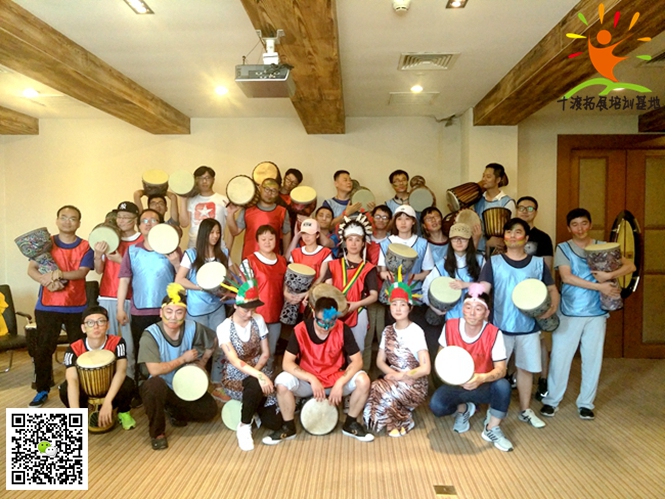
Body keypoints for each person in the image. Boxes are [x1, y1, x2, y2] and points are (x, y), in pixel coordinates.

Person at [541, 208, 635, 421]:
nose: (580, 228)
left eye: (584, 223)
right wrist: (600, 286)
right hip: (570, 311)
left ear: (590, 225)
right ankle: (552, 401)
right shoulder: (563, 248)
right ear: (569, 228)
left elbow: (630, 265)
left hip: (596, 312)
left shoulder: (604, 247)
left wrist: (610, 275)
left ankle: (586, 403)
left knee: (592, 359)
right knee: (560, 358)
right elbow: (567, 277)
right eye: (575, 225)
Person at [262, 284, 374, 444]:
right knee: (282, 381)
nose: (326, 327)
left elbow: (357, 361)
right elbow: (287, 363)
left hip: (334, 380)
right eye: (322, 322)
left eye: (331, 322)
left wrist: (341, 382)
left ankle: (350, 423)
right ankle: (288, 427)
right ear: (314, 313)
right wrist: (311, 378)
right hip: (308, 382)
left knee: (363, 379)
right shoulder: (300, 330)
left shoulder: (342, 329)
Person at [479, 218, 559, 430]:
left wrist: (553, 306)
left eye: (517, 232)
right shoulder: (494, 262)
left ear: (526, 237)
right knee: (497, 371)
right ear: (504, 237)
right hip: (500, 326)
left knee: (526, 369)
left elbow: (551, 288)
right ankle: (493, 412)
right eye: (509, 232)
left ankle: (525, 410)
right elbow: (483, 289)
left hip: (529, 326)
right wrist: (473, 300)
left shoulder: (537, 263)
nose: (512, 236)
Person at [429, 285, 513, 452]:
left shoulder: (494, 333)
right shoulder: (450, 326)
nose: (472, 313)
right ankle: (465, 408)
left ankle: (492, 428)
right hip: (456, 384)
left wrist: (481, 378)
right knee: (437, 406)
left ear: (486, 313)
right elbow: (440, 361)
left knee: (503, 386)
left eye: (478, 309)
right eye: (468, 307)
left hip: (482, 384)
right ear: (463, 309)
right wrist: (456, 380)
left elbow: (501, 369)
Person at [27, 205, 93, 407]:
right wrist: (46, 280)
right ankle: (42, 389)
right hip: (48, 306)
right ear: (57, 220)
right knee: (43, 349)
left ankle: (81, 387)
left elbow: (82, 272)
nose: (67, 221)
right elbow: (32, 269)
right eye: (63, 217)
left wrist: (60, 274)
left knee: (79, 349)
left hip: (76, 306)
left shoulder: (86, 246)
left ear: (79, 223)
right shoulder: (45, 243)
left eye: (72, 218)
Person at [138, 284, 216, 450]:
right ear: (161, 313)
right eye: (169, 311)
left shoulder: (193, 327)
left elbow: (214, 340)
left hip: (183, 385)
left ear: (185, 313)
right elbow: (154, 370)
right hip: (160, 386)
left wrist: (201, 363)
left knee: (209, 410)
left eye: (179, 312)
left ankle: (173, 409)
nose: (173, 317)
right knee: (154, 386)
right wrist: (183, 359)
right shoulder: (150, 335)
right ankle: (157, 433)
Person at [117, 209, 181, 402]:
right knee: (142, 351)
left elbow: (182, 279)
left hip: (167, 313)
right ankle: (141, 391)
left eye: (153, 220)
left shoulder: (172, 249)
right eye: (144, 220)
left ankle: (171, 392)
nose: (148, 223)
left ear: (161, 224)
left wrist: (176, 263)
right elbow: (124, 280)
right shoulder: (132, 251)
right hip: (140, 311)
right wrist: (120, 308)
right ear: (139, 226)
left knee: (169, 350)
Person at [217, 280, 283, 451]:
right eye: (245, 310)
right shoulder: (224, 327)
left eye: (252, 310)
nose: (249, 314)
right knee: (254, 384)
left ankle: (253, 408)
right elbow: (235, 361)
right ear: (235, 306)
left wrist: (259, 373)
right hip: (235, 375)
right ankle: (244, 425)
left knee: (275, 423)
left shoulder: (258, 319)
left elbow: (265, 353)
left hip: (259, 368)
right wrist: (258, 376)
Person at [363, 282, 430, 437]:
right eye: (394, 304)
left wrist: (402, 376)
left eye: (402, 304)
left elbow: (425, 368)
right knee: (375, 387)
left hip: (414, 383)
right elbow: (380, 361)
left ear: (410, 307)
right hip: (396, 378)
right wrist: (395, 375)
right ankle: (393, 413)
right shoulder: (387, 331)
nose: (398, 308)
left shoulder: (416, 331)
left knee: (383, 391)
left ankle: (404, 420)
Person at [175, 218, 231, 402]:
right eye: (212, 232)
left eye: (218, 233)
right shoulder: (191, 254)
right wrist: (200, 287)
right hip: (197, 308)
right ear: (203, 234)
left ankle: (217, 383)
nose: (215, 236)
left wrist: (227, 292)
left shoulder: (223, 253)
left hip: (217, 307)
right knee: (198, 346)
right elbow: (179, 279)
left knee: (220, 344)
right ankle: (195, 383)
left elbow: (230, 276)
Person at [59, 306, 136, 430]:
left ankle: (123, 412)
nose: (96, 326)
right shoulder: (73, 349)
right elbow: (72, 380)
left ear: (108, 325)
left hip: (110, 387)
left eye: (101, 321)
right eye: (90, 323)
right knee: (64, 389)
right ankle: (83, 414)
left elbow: (121, 372)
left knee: (128, 384)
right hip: (86, 389)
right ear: (83, 328)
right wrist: (75, 413)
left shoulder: (118, 342)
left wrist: (107, 402)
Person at [94, 201, 142, 380]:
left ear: (135, 219)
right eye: (119, 217)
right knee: (107, 342)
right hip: (106, 294)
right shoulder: (109, 238)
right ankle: (107, 381)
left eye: (126, 217)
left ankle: (129, 381)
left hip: (131, 298)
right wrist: (98, 255)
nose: (121, 221)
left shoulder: (141, 240)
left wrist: (121, 261)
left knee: (128, 345)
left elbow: (143, 273)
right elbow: (99, 269)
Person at [516, 196, 554, 400]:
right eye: (521, 208)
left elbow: (546, 268)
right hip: (513, 294)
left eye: (529, 208)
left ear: (536, 212)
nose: (525, 211)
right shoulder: (510, 234)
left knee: (538, 339)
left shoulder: (543, 238)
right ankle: (515, 376)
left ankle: (543, 379)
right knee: (514, 336)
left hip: (535, 294)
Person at [325, 216, 379, 358]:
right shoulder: (333, 264)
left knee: (356, 351)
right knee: (331, 350)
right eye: (350, 239)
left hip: (358, 311)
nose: (353, 244)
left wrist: (357, 304)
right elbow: (328, 289)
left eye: (357, 240)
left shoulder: (369, 268)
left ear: (363, 243)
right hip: (333, 311)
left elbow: (374, 295)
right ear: (344, 242)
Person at [240, 225, 287, 356]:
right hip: (255, 315)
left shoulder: (282, 261)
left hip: (276, 314)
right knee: (252, 352)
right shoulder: (249, 261)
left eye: (271, 239)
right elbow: (245, 290)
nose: (267, 242)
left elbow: (284, 286)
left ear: (276, 240)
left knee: (270, 352)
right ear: (257, 241)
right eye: (263, 239)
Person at [422, 223, 484, 322]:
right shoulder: (442, 264)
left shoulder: (480, 260)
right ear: (450, 241)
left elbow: (487, 287)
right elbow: (426, 287)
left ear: (469, 240)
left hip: (475, 317)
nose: (459, 242)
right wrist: (434, 307)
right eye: (455, 239)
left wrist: (465, 285)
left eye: (463, 238)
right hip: (452, 318)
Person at [227, 178, 291, 260]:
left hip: (271, 260)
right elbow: (235, 231)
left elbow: (286, 233)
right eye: (267, 189)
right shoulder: (247, 209)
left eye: (273, 191)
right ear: (260, 187)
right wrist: (230, 214)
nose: (269, 193)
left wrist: (285, 255)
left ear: (278, 193)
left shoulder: (282, 211)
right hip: (249, 258)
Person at [364, 204, 392, 371]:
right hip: (366, 290)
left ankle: (385, 372)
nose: (381, 220)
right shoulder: (365, 239)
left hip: (385, 292)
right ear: (372, 218)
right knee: (367, 333)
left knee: (382, 331)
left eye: (385, 217)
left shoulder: (392, 241)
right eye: (378, 216)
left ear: (390, 221)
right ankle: (364, 371)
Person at [179, 165, 229, 249]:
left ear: (213, 180)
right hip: (194, 247)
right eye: (200, 178)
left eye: (207, 178)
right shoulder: (191, 200)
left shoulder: (223, 200)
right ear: (195, 180)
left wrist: (228, 248)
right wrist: (183, 200)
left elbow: (231, 227)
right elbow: (184, 224)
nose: (204, 181)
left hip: (217, 248)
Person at [473, 163, 516, 254]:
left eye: (488, 177)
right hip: (478, 250)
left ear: (498, 180)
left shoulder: (507, 202)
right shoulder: (477, 200)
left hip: (498, 252)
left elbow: (511, 230)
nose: (484, 179)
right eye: (483, 176)